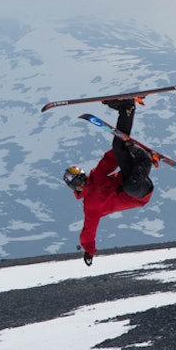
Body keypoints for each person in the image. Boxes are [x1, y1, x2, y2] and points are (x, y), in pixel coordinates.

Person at [64, 99, 155, 265]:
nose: (82, 182)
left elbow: (110, 158)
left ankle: (126, 109)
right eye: (78, 182)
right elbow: (88, 231)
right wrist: (89, 251)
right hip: (139, 193)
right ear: (74, 188)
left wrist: (125, 145)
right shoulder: (90, 206)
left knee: (117, 145)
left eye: (81, 177)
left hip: (131, 174)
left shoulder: (96, 175)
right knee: (130, 185)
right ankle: (145, 159)